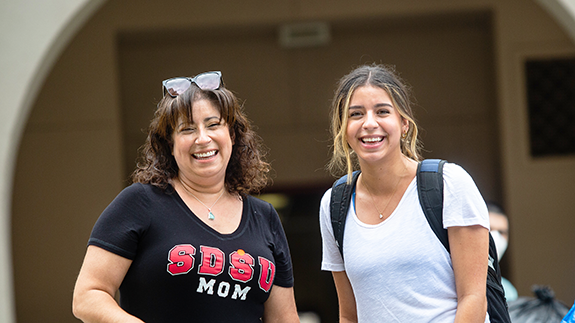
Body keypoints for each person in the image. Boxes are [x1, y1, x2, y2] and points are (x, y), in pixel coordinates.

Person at [72, 71, 299, 322]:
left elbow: (283, 319)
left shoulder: (264, 217)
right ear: (170, 143)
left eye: (213, 125)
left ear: (232, 136)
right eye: (187, 129)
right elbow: (88, 296)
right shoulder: (139, 204)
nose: (203, 139)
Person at [319, 64, 491, 322]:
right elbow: (350, 315)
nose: (369, 123)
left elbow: (473, 298)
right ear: (343, 130)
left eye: (382, 111)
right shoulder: (334, 204)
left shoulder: (449, 184)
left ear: (404, 124)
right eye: (356, 114)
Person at [487, 201, 518, 302]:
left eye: (502, 232)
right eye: (489, 229)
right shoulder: (457, 283)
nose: (496, 238)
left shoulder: (508, 290)